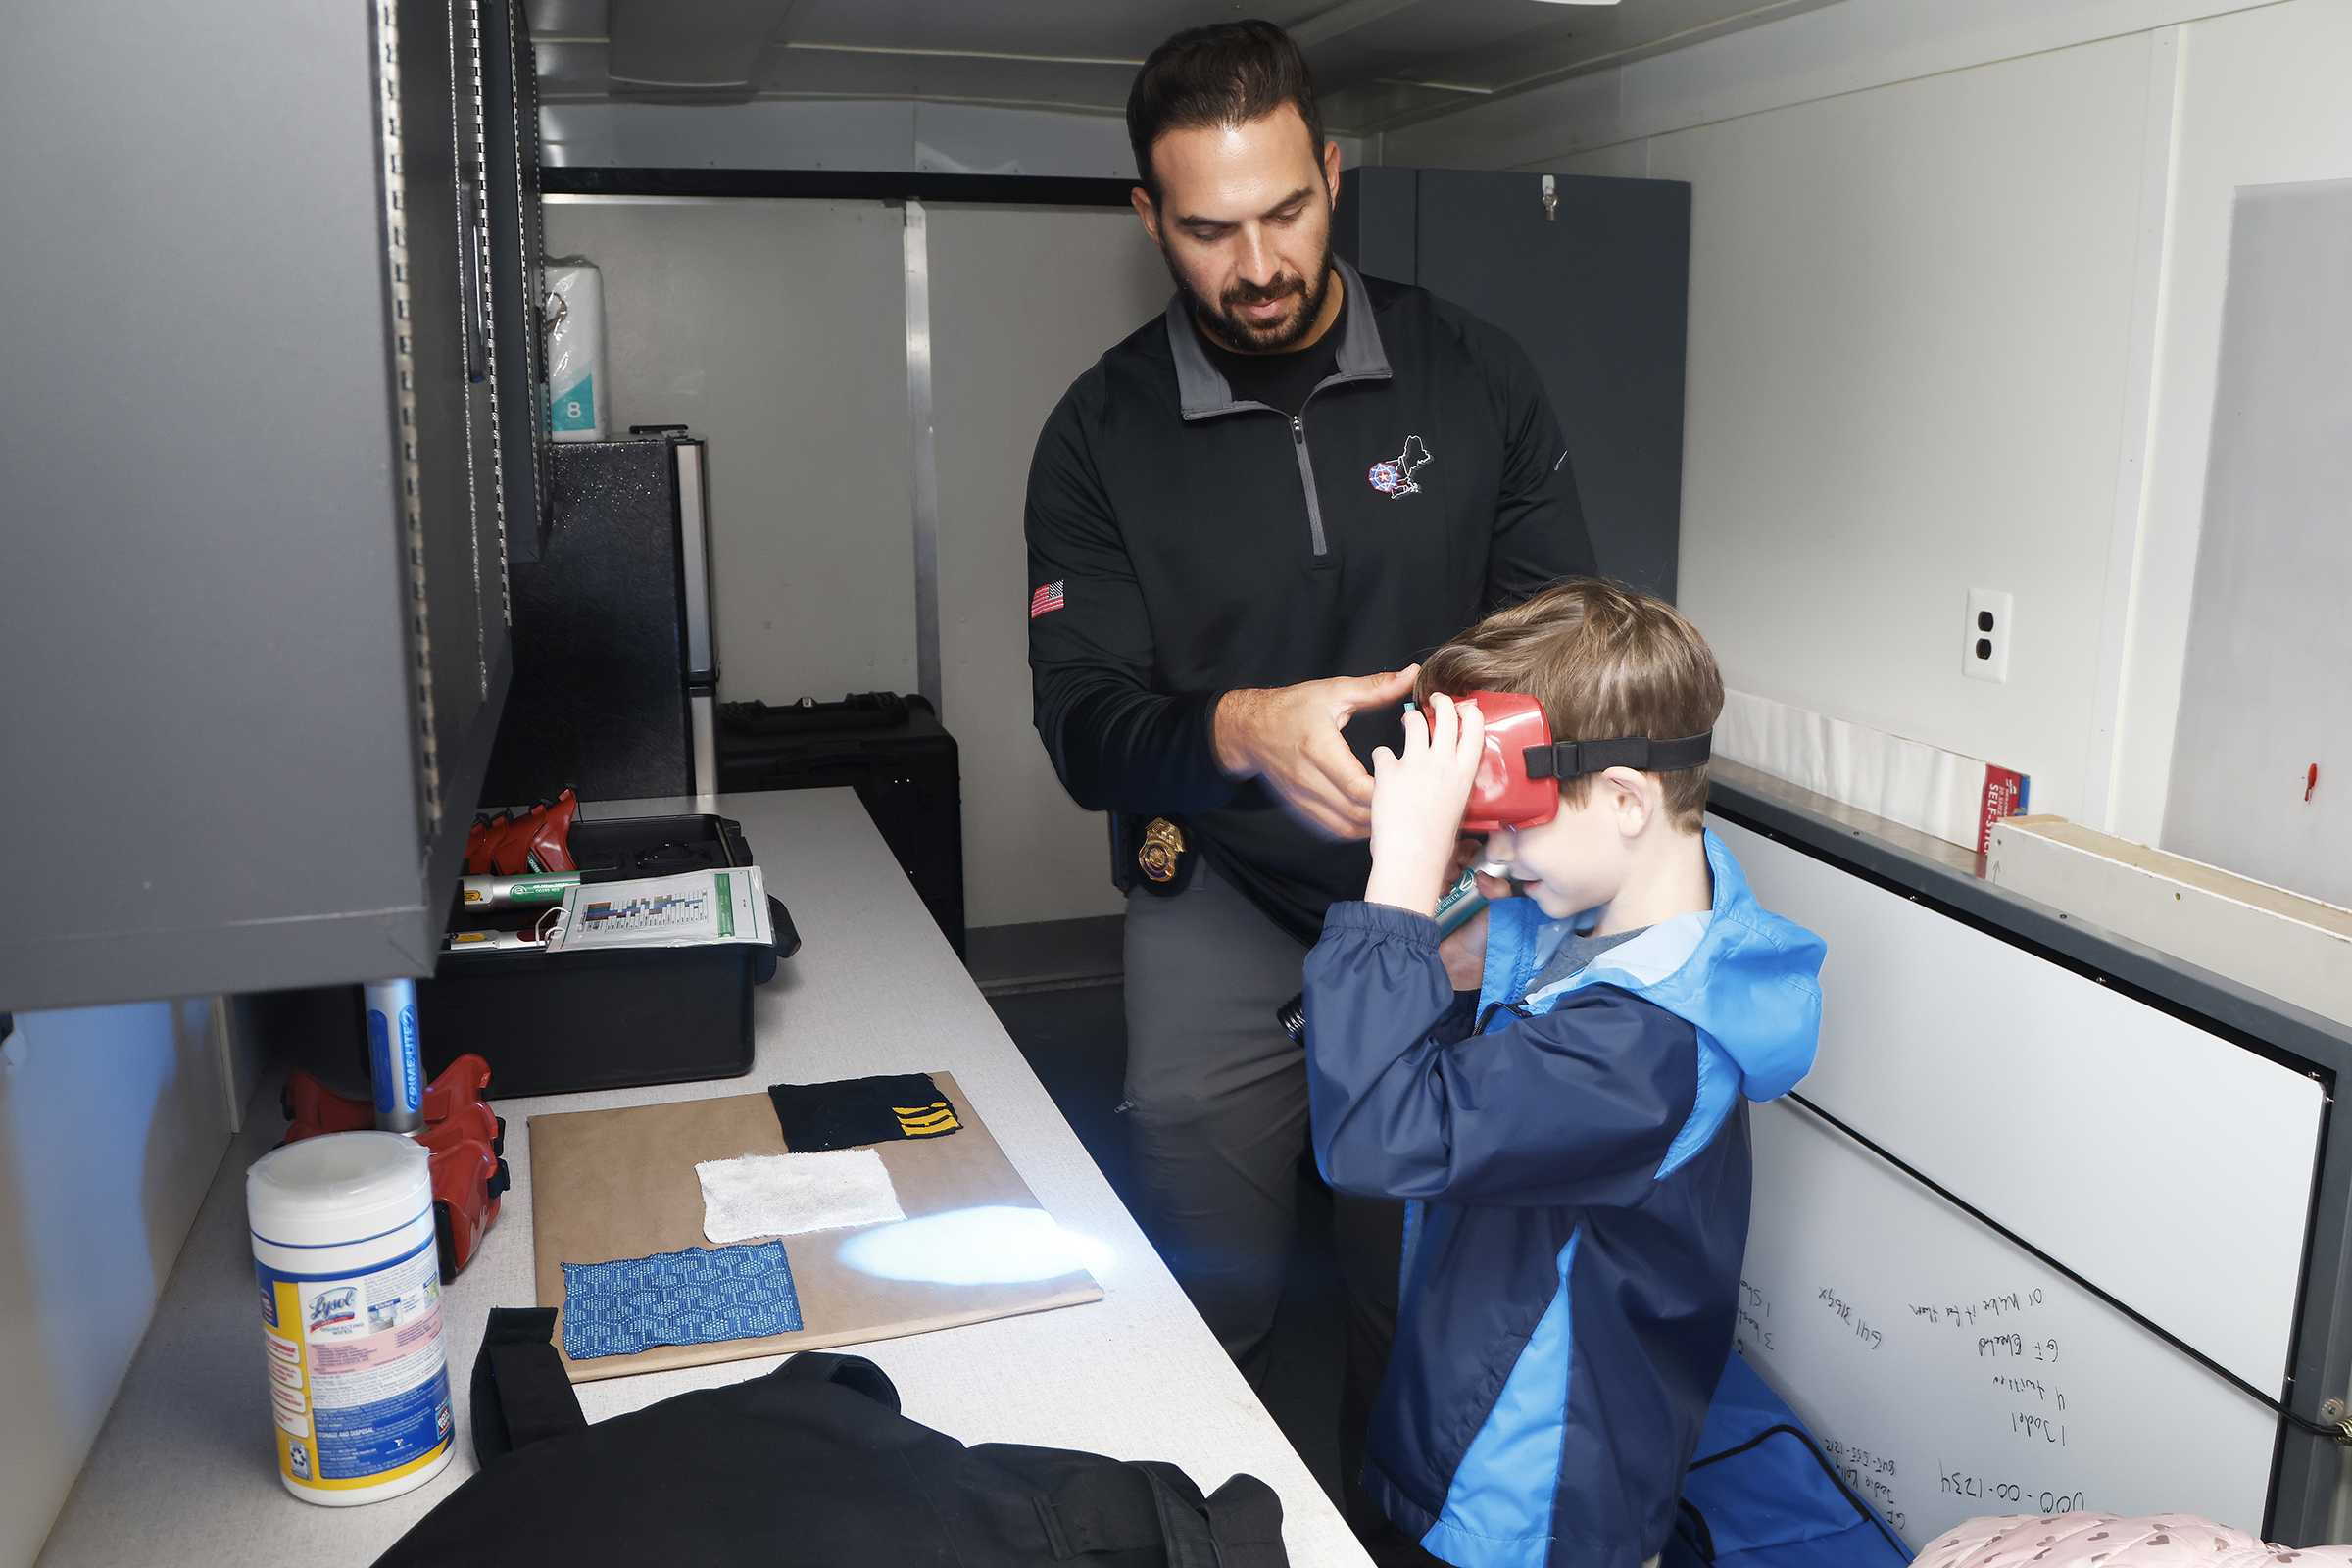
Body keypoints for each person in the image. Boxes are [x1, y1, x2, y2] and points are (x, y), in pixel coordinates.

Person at [1022, 16, 1597, 1516]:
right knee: (1208, 1285)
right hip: (1216, 889)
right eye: (1210, 231)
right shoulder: (1097, 437)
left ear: (1332, 173)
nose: (1258, 263)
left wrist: (1480, 853)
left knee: (1413, 1278)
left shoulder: (1475, 377)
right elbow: (1085, 729)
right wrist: (1236, 731)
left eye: (1286, 211)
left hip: (1455, 897)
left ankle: (1395, 1523)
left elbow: (1562, 652)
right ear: (1149, 218)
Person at [1300, 580, 1828, 1568]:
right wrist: (1468, 908)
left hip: (1523, 1501)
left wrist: (1404, 880)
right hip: (1486, 1399)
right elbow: (1525, 954)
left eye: (1509, 826)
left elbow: (1372, 1135)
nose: (1490, 863)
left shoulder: (1644, 1048)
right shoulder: (1650, 911)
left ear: (1629, 799)